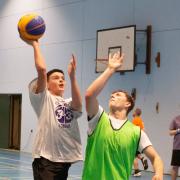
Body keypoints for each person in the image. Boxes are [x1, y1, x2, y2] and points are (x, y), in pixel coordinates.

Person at [82, 52, 163, 180]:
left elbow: (155, 157)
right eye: (112, 95)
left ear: (128, 103)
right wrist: (110, 69)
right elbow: (89, 95)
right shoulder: (98, 119)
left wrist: (158, 173)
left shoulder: (136, 132)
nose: (113, 96)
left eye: (118, 95)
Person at [24, 39, 82, 180]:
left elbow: (78, 104)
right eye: (56, 78)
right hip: (46, 160)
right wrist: (35, 44)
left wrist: (72, 77)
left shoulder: (68, 103)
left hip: (64, 161)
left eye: (63, 78)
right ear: (47, 85)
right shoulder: (44, 99)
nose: (61, 80)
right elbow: (42, 70)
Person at [132, 108, 149, 177]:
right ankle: (142, 158)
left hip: (136, 139)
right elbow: (143, 129)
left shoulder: (135, 120)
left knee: (133, 156)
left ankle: (137, 172)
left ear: (135, 113)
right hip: (139, 139)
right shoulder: (140, 120)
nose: (132, 112)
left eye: (133, 111)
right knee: (136, 154)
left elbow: (133, 130)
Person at [169, 116, 180, 180]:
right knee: (175, 167)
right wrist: (178, 130)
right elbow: (170, 133)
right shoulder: (175, 119)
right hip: (177, 147)